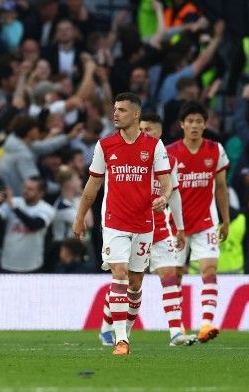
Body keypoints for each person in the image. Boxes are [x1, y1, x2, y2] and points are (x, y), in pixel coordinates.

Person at [73, 92, 173, 356]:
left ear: (136, 114)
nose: (115, 113)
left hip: (144, 223)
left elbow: (166, 182)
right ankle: (121, 340)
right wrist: (80, 216)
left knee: (135, 283)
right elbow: (92, 185)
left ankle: (124, 332)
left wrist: (164, 197)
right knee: (119, 272)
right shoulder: (105, 145)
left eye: (122, 110)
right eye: (115, 109)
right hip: (115, 221)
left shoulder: (154, 146)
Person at [98, 113, 196, 346]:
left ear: (159, 134)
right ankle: (106, 326)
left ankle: (175, 333)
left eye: (149, 129)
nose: (144, 133)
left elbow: (175, 194)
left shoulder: (167, 161)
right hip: (124, 226)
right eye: (141, 128)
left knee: (170, 276)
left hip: (159, 227)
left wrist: (180, 227)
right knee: (128, 281)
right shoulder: (123, 155)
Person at [166, 101, 230, 344]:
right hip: (175, 225)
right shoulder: (170, 152)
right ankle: (179, 329)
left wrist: (225, 220)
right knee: (176, 274)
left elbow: (221, 187)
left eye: (199, 121)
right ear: (182, 124)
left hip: (206, 221)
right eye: (190, 121)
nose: (194, 125)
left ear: (205, 124)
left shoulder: (216, 150)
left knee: (209, 269)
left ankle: (206, 324)